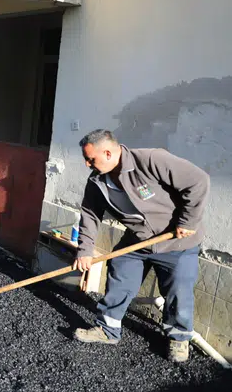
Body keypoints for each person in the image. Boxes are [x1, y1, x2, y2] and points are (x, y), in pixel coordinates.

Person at [72, 129, 210, 363]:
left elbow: (198, 181)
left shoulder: (150, 160)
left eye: (90, 159)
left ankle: (178, 337)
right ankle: (107, 329)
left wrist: (188, 222)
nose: (87, 164)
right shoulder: (97, 180)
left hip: (176, 241)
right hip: (138, 241)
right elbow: (90, 214)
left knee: (178, 291)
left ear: (108, 153)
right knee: (119, 276)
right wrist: (84, 250)